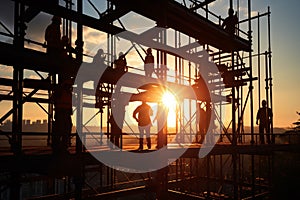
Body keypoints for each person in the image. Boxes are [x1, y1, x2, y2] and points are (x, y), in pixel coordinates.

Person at [52, 78, 73, 154]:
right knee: (60, 129)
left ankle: (63, 147)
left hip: (65, 113)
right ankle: (57, 147)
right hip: (61, 112)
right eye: (69, 85)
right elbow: (54, 99)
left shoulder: (68, 93)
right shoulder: (60, 91)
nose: (70, 87)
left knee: (66, 129)